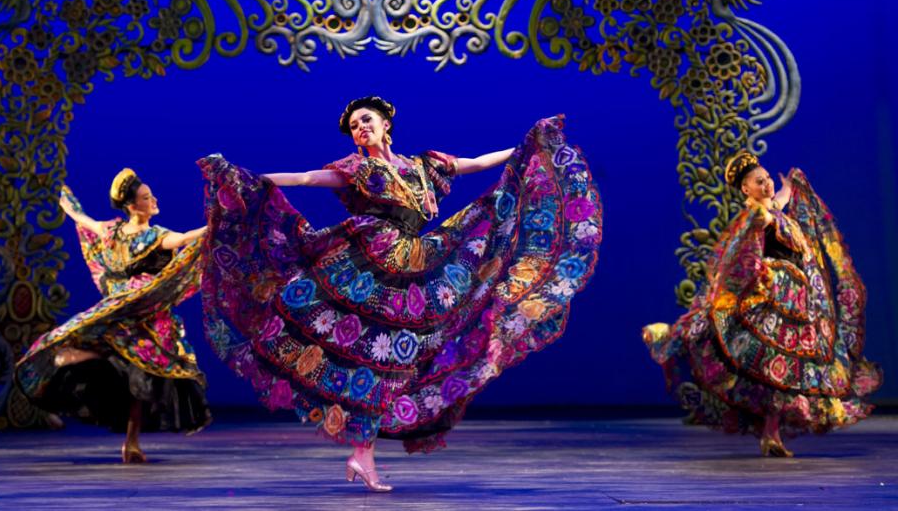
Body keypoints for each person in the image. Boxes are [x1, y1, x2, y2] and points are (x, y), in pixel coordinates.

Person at [198, 96, 602, 491]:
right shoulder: (356, 168)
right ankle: (363, 452)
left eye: (366, 119)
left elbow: (475, 163)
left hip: (413, 263)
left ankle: (363, 453)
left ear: (386, 123)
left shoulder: (424, 166)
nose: (361, 127)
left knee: (394, 359)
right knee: (372, 358)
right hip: (367, 263)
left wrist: (527, 146)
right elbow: (306, 178)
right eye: (355, 125)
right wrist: (246, 178)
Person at [643, 151, 881, 457]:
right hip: (774, 297)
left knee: (781, 373)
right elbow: (759, 223)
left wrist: (788, 185)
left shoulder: (774, 208)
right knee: (737, 345)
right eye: (760, 182)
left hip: (797, 302)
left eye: (767, 179)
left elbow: (780, 199)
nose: (767, 185)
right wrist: (758, 218)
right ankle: (670, 333)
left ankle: (771, 435)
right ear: (746, 189)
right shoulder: (760, 215)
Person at [15, 169, 211, 463]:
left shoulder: (112, 232)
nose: (154, 200)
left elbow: (81, 218)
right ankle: (80, 359)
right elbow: (185, 238)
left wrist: (62, 195)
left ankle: (131, 443)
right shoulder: (154, 237)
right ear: (133, 206)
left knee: (137, 377)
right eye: (147, 197)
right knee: (140, 374)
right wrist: (217, 224)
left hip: (129, 312)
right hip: (141, 315)